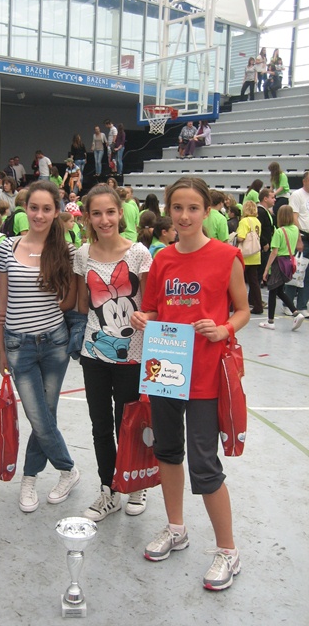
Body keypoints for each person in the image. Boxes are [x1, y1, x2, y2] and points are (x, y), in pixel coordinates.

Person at [131, 176, 250, 591]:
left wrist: (223, 329)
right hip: (165, 369)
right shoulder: (162, 259)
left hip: (205, 375)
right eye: (177, 208)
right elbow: (151, 309)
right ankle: (176, 528)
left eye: (193, 208)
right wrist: (142, 318)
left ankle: (228, 550)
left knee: (204, 463)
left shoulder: (227, 256)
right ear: (169, 211)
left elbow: (243, 310)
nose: (184, 216)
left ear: (207, 211)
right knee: (167, 451)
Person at [0, 180, 80, 513]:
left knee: (45, 415)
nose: (40, 215)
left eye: (47, 209)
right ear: (25, 208)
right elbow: (2, 300)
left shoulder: (66, 251)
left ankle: (29, 477)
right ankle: (68, 469)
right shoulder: (7, 247)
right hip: (19, 345)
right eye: (34, 208)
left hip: (55, 343)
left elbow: (70, 299)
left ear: (56, 212)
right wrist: (2, 350)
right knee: (38, 415)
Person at [74, 184, 152, 521]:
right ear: (88, 217)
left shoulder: (138, 254)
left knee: (129, 424)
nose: (104, 220)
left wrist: (146, 316)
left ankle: (135, 483)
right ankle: (109, 489)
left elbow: (151, 304)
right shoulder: (82, 255)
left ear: (121, 213)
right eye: (97, 213)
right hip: (94, 354)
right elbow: (81, 305)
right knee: (101, 425)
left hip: (133, 356)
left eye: (110, 212)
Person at [259, 205, 305, 331]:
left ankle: (270, 321)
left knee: (272, 290)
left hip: (278, 263)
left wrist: (266, 269)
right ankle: (296, 312)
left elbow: (274, 252)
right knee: (279, 290)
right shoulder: (295, 229)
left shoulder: (279, 232)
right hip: (288, 262)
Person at [285, 172, 309, 318]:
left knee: (307, 275)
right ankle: (288, 304)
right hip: (302, 236)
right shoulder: (297, 195)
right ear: (304, 181)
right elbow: (294, 218)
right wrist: (298, 239)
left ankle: (302, 305)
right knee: (296, 270)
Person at [237, 200, 263, 314]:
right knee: (254, 282)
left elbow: (241, 237)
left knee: (237, 281)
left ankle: (235, 304)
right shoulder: (257, 221)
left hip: (245, 255)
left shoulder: (244, 221)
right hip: (255, 255)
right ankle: (258, 305)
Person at [257, 188, 276, 285]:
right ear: (265, 198)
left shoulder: (266, 211)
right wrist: (264, 242)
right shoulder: (260, 212)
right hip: (262, 247)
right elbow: (258, 229)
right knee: (258, 274)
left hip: (266, 246)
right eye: (272, 197)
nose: (274, 200)